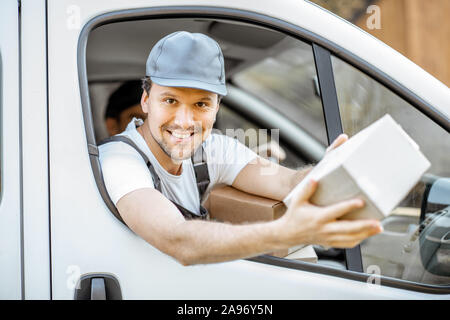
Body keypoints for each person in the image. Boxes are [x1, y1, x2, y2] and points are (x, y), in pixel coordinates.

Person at [99, 31, 382, 266]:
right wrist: (284, 232)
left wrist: (330, 170)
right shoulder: (119, 160)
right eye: (170, 101)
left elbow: (287, 181)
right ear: (147, 100)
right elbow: (178, 240)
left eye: (201, 104)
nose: (185, 122)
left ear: (216, 107)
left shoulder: (213, 150)